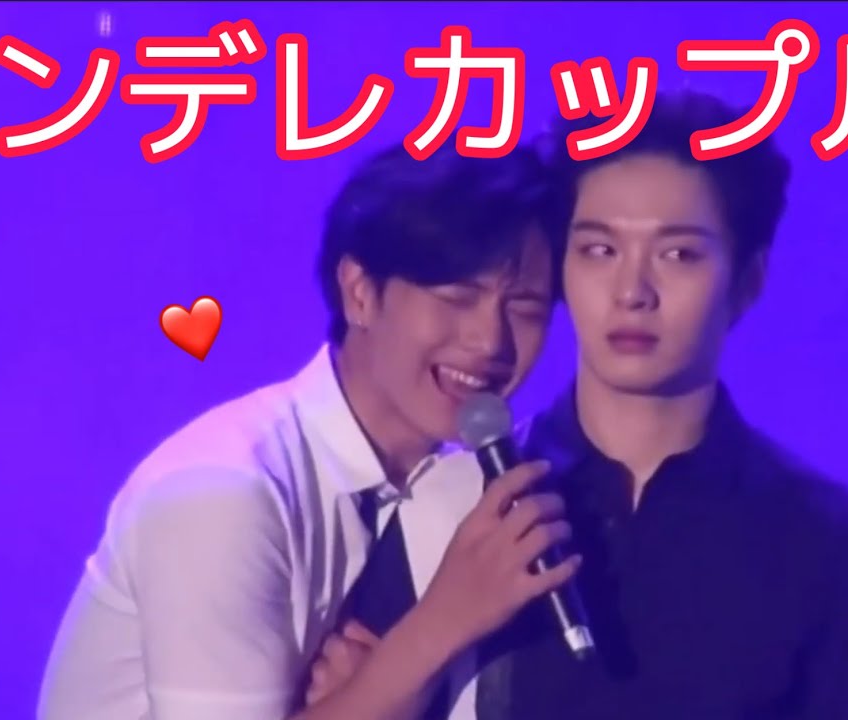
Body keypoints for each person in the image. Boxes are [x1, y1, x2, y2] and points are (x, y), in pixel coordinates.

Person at [306, 91, 848, 720]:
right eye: (599, 250)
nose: (632, 292)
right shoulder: (450, 507)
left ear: (747, 282)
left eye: (678, 255)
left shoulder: (828, 543)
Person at [36, 140, 579, 720]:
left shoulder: (450, 487)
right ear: (360, 292)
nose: (490, 341)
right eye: (457, 297)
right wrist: (438, 627)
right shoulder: (222, 490)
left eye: (524, 308)